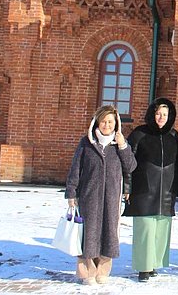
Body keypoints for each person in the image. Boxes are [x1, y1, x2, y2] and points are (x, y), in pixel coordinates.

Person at [65, 105, 137, 285]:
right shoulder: (86, 142)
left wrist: (123, 145)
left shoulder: (119, 144)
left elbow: (131, 167)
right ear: (97, 122)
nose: (107, 125)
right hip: (89, 195)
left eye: (110, 121)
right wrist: (71, 193)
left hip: (111, 196)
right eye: (104, 121)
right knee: (88, 234)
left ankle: (103, 270)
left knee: (108, 232)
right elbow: (76, 169)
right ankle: (87, 272)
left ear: (116, 124)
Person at [122, 98, 178, 282]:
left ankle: (154, 263)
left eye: (165, 114)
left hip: (166, 190)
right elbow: (128, 163)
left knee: (161, 228)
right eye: (158, 113)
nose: (161, 117)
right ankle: (143, 267)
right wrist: (127, 187)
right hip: (143, 190)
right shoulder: (139, 133)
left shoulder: (173, 135)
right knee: (145, 229)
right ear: (152, 114)